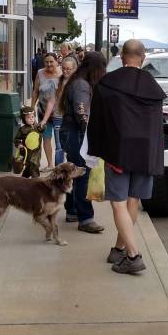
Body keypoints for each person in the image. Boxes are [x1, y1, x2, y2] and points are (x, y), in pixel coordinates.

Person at [87, 39, 166, 275]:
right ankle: (119, 249)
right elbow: (157, 128)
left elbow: (97, 122)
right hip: (145, 154)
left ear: (122, 56)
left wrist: (95, 150)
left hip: (118, 152)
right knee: (133, 201)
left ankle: (133, 255)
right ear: (143, 58)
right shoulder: (153, 87)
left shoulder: (107, 84)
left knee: (119, 203)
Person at [59, 51, 106, 233]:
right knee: (81, 174)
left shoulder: (77, 81)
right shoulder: (81, 85)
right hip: (77, 133)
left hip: (71, 131)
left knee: (74, 171)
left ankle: (72, 211)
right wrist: (91, 132)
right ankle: (85, 218)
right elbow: (81, 113)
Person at [44, 55, 78, 166]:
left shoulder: (78, 83)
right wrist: (44, 120)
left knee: (72, 147)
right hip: (58, 118)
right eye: (63, 68)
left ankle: (71, 172)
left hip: (73, 120)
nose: (65, 71)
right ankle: (58, 175)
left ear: (75, 69)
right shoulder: (57, 82)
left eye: (68, 69)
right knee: (59, 147)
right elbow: (51, 102)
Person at [31, 52, 61, 167]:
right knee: (46, 138)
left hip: (59, 113)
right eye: (46, 62)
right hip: (43, 112)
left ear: (56, 62)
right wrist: (33, 107)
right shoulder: (40, 73)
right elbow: (35, 91)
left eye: (51, 62)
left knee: (59, 143)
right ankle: (50, 165)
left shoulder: (62, 73)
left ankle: (59, 167)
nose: (49, 64)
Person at [13, 106, 43, 179]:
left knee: (34, 164)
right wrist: (19, 144)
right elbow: (16, 139)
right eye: (28, 118)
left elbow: (43, 128)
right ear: (24, 119)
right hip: (27, 151)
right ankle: (24, 177)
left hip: (37, 151)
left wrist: (42, 125)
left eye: (32, 117)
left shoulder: (37, 127)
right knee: (29, 165)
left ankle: (36, 180)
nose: (31, 119)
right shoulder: (22, 129)